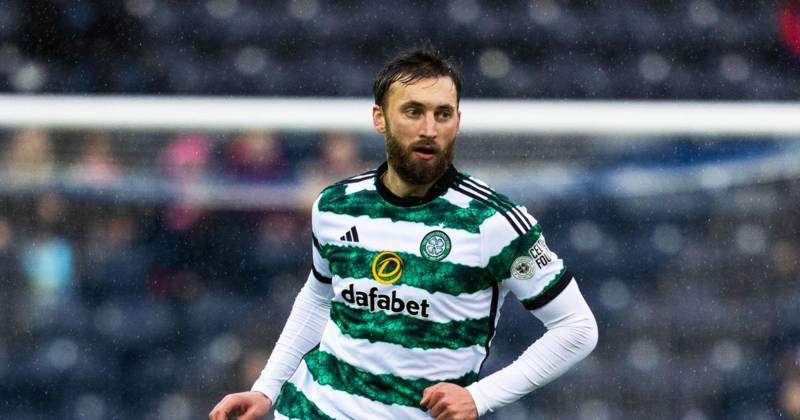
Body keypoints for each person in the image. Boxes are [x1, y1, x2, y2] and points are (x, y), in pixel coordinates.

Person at [210, 47, 598, 420]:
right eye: (414, 112)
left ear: (457, 122)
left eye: (443, 114)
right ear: (380, 118)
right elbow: (318, 298)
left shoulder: (494, 223)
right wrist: (267, 388)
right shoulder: (336, 205)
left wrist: (480, 397)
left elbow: (577, 328)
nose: (429, 129)